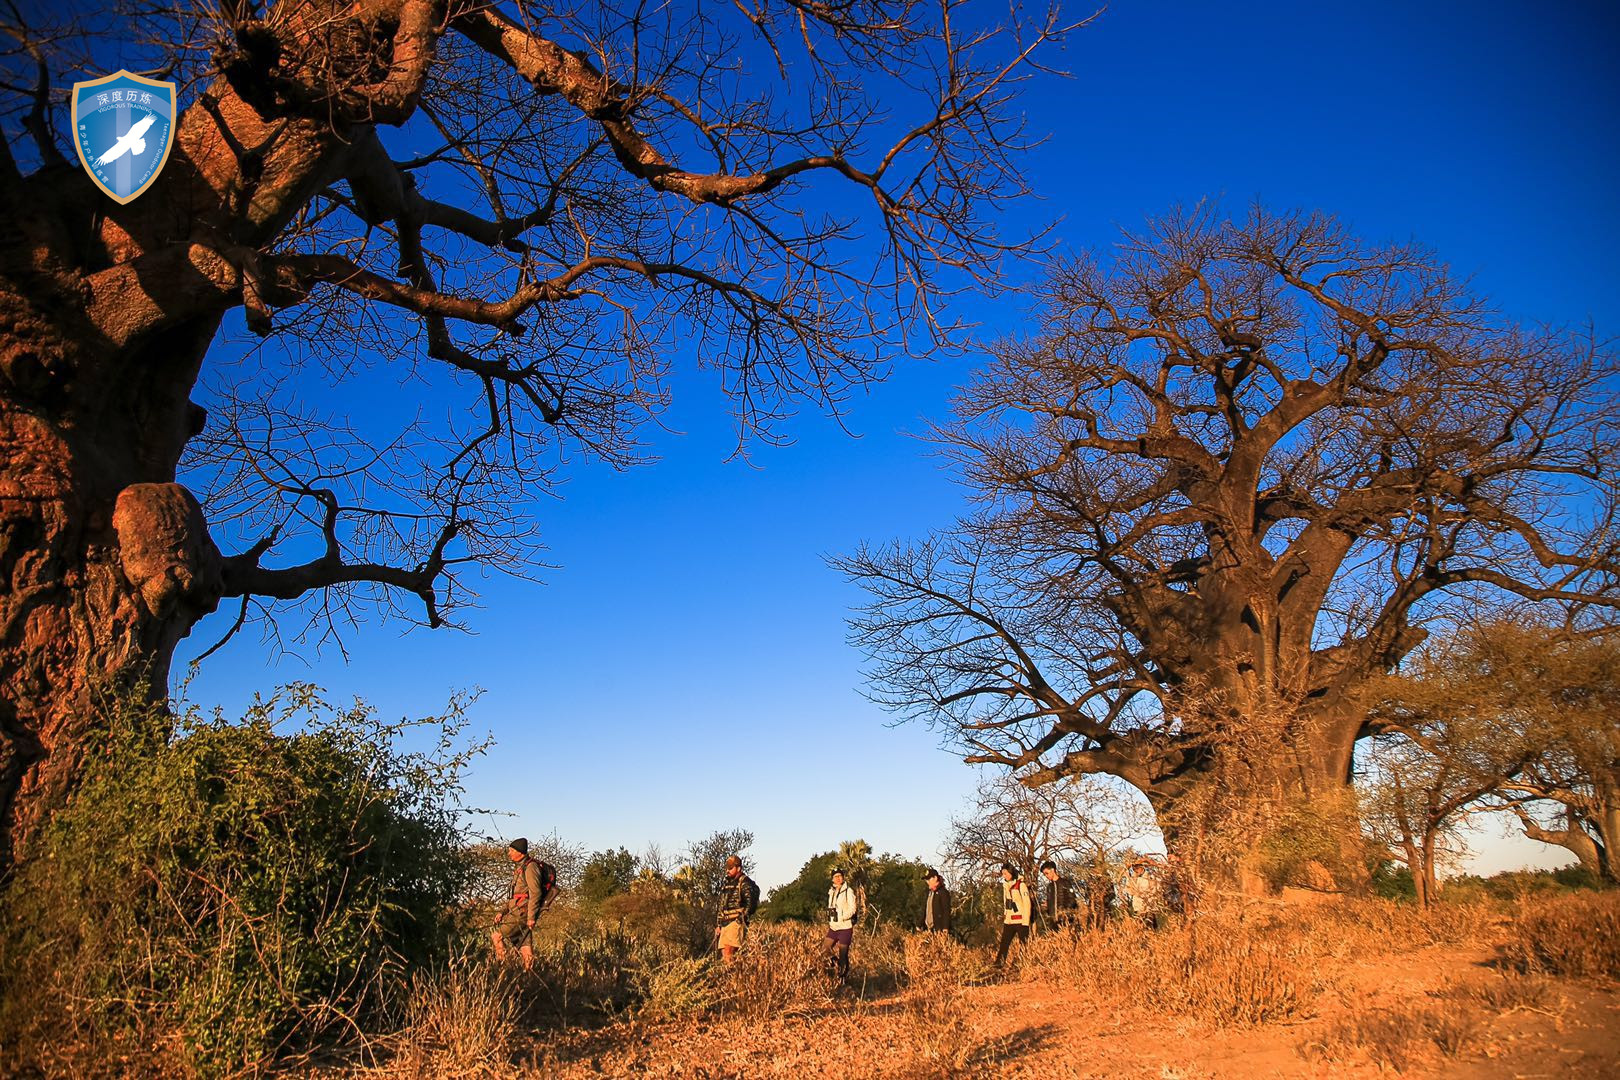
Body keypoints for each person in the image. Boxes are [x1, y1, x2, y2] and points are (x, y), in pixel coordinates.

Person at [492, 837, 552, 971]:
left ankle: (503, 969)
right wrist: (502, 912)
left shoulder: (531, 867)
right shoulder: (521, 868)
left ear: (520, 852)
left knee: (496, 936)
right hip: (518, 911)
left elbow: (535, 893)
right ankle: (529, 975)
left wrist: (531, 917)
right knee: (525, 947)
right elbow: (515, 896)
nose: (509, 854)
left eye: (512, 851)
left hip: (522, 913)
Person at [715, 854, 758, 964]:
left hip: (736, 922)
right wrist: (719, 924)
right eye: (727, 868)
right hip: (725, 922)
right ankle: (729, 977)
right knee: (725, 954)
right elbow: (722, 905)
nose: (727, 870)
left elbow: (751, 904)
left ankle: (732, 976)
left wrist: (742, 918)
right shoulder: (726, 884)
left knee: (730, 953)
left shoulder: (745, 883)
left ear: (738, 868)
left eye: (730, 868)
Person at [994, 862, 1032, 967]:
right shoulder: (1005, 886)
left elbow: (1027, 903)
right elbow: (1006, 902)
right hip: (1009, 920)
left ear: (1011, 872)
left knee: (1024, 944)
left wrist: (1026, 921)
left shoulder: (1021, 885)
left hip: (1021, 920)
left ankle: (1023, 964)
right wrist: (1005, 915)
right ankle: (999, 963)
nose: (1004, 875)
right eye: (1002, 874)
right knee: (1004, 943)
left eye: (1005, 873)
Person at [825, 867, 859, 980]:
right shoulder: (831, 891)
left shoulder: (848, 891)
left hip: (845, 927)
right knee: (825, 949)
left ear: (843, 877)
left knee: (843, 953)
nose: (838, 878)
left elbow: (853, 908)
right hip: (834, 927)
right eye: (835, 876)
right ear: (832, 879)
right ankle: (836, 967)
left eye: (840, 876)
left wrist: (844, 917)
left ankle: (843, 978)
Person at [1038, 859, 1079, 931]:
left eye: (1047, 873)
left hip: (1065, 919)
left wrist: (1064, 912)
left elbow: (1072, 899)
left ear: (1053, 870)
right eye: (1044, 874)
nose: (1046, 876)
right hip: (1053, 921)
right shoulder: (1049, 887)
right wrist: (1047, 907)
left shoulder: (1065, 883)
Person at [921, 867, 952, 934]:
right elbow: (925, 910)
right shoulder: (928, 893)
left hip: (938, 930)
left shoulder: (943, 892)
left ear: (935, 878)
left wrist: (945, 927)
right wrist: (919, 924)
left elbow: (946, 911)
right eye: (926, 879)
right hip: (928, 930)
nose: (927, 882)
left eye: (929, 879)